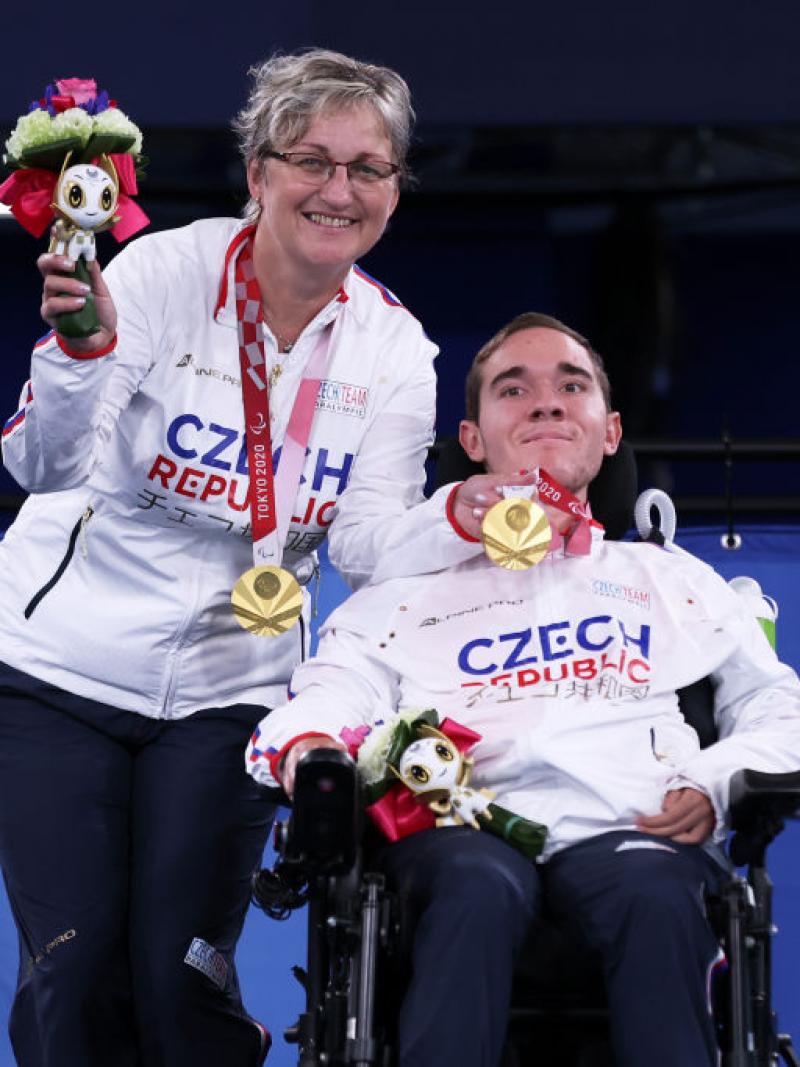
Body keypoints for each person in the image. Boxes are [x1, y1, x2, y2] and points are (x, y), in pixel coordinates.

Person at [0, 50, 507, 1067]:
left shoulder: (394, 349)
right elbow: (42, 466)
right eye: (311, 160)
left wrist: (457, 510)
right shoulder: (159, 271)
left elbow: (364, 545)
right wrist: (77, 351)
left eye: (369, 169)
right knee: (75, 960)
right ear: (259, 172)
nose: (338, 190)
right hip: (56, 667)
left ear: (395, 190)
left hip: (235, 687)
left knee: (180, 970)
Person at [247, 311, 800, 1067]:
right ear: (472, 441)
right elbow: (333, 690)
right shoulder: (405, 590)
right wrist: (308, 746)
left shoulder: (672, 579)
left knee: (651, 890)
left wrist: (714, 779)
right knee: (474, 883)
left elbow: (779, 706)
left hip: (634, 828)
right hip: (462, 837)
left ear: (609, 431)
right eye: (514, 388)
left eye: (571, 385)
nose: (545, 402)